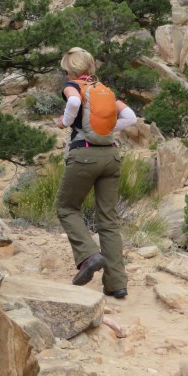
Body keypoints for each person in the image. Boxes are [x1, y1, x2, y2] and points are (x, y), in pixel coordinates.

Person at [56, 47, 137, 299]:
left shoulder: (74, 86)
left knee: (67, 207)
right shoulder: (105, 91)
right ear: (90, 67)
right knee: (108, 221)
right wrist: (110, 128)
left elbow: (73, 102)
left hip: (85, 154)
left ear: (70, 69)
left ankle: (89, 255)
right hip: (111, 156)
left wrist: (65, 121)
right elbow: (131, 117)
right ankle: (117, 284)